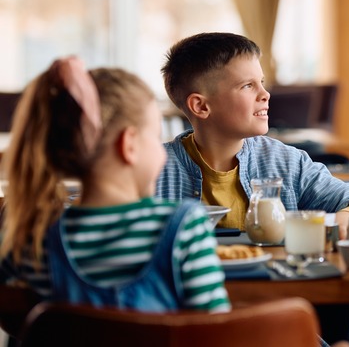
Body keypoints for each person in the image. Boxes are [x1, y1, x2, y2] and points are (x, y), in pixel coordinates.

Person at [0, 57, 229, 313]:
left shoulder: (34, 240)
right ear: (129, 145)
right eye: (155, 138)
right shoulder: (186, 228)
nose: (163, 152)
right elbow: (214, 332)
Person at [155, 32, 349, 238]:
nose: (265, 94)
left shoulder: (286, 163)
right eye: (247, 86)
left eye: (261, 82)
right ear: (201, 106)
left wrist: (348, 215)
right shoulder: (154, 171)